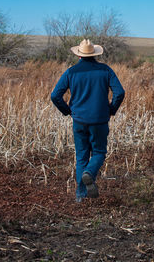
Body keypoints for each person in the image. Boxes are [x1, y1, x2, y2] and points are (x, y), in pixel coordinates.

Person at [51, 39, 125, 202]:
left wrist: (67, 111)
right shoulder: (105, 70)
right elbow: (119, 92)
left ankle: (80, 196)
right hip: (100, 120)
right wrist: (111, 110)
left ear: (78, 55)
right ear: (95, 54)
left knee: (82, 157)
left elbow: (55, 96)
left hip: (79, 120)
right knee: (99, 152)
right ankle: (90, 174)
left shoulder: (71, 72)